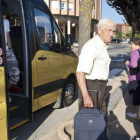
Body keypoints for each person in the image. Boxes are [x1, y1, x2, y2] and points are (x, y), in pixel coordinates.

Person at [76, 18, 116, 114]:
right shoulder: (92, 46)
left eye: (113, 31)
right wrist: (86, 96)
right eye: (109, 30)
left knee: (100, 121)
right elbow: (80, 72)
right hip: (92, 88)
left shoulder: (102, 46)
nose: (112, 34)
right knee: (90, 123)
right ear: (99, 30)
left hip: (101, 88)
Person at [2, 1, 20, 102]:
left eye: (6, 15)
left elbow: (7, 36)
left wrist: (11, 48)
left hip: (6, 50)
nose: (4, 17)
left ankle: (5, 91)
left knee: (15, 75)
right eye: (3, 14)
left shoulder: (6, 22)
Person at [125, 38, 140, 119]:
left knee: (134, 96)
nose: (130, 46)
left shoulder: (135, 52)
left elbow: (133, 65)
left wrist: (128, 63)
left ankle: (133, 112)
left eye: (131, 44)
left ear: (136, 44)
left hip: (134, 77)